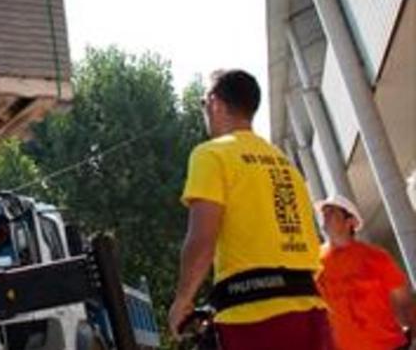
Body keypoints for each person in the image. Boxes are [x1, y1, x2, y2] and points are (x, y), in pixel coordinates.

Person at [168, 69, 332, 348]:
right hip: (311, 311)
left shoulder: (211, 154)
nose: (204, 110)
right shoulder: (283, 163)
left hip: (254, 316)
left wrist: (182, 300)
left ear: (215, 103)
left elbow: (201, 239)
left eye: (202, 103)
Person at [315, 194, 415, 350]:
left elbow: (405, 303)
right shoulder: (313, 263)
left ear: (351, 222)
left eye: (332, 212)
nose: (325, 217)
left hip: (388, 346)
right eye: (323, 213)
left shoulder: (377, 257)